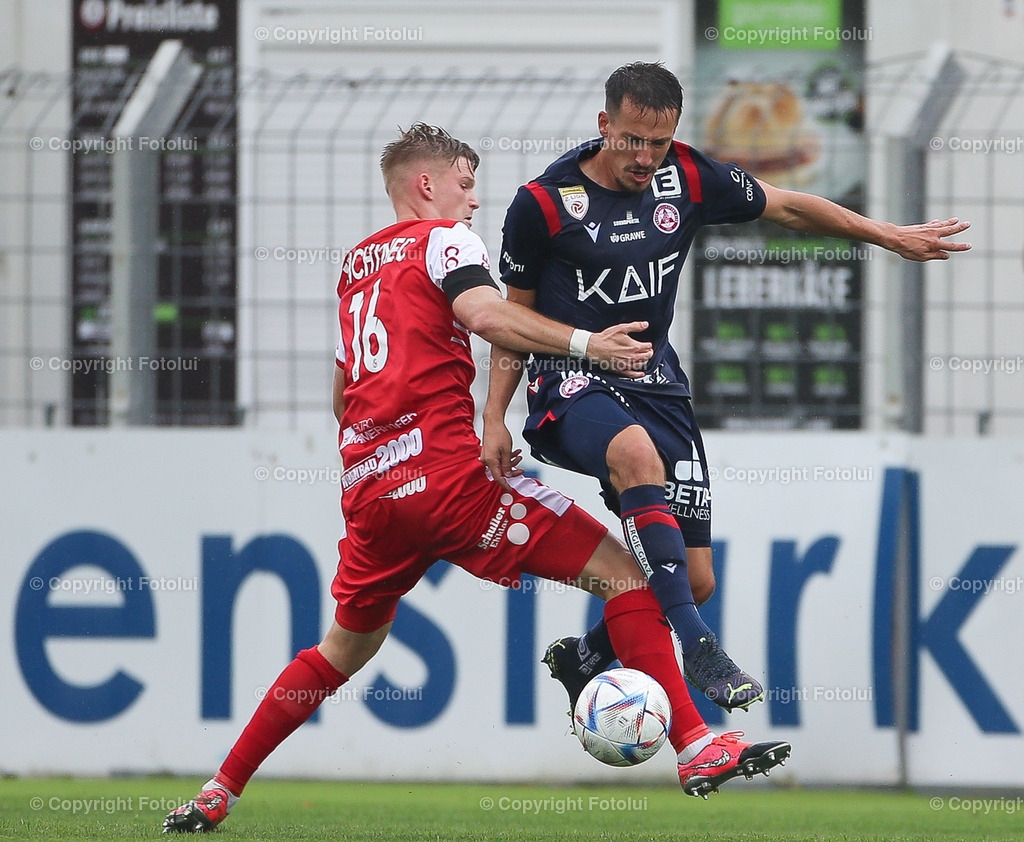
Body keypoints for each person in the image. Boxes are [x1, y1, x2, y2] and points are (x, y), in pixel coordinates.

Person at [162, 124, 790, 833]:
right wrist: (588, 344)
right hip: (447, 482)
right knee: (628, 576)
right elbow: (489, 315)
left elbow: (342, 397)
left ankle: (220, 788)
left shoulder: (357, 265)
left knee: (341, 649)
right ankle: (697, 746)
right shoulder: (446, 242)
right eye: (464, 185)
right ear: (426, 185)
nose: (474, 201)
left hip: (371, 492)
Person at [482, 61, 972, 714]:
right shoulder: (544, 204)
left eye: (659, 142)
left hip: (656, 383)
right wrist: (494, 416)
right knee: (636, 455)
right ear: (604, 125)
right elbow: (510, 320)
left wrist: (888, 234)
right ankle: (700, 647)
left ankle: (586, 658)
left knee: (695, 578)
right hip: (566, 381)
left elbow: (789, 205)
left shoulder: (686, 176)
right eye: (632, 140)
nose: (645, 157)